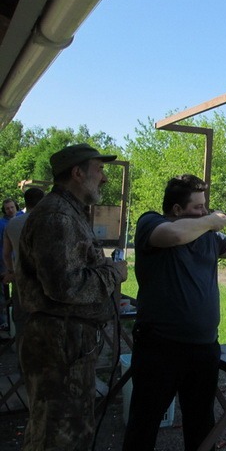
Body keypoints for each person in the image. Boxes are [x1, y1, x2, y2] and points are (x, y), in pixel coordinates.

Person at [122, 174, 226, 451]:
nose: (205, 210)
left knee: (200, 427)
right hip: (159, 346)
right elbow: (174, 235)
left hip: (203, 348)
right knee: (144, 425)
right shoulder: (151, 222)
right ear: (177, 209)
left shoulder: (207, 234)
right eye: (198, 207)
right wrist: (211, 220)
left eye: (205, 206)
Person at [16, 143, 128, 450]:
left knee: (67, 430)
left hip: (67, 343)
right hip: (58, 345)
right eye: (99, 169)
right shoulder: (57, 216)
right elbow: (65, 286)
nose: (104, 178)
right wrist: (113, 273)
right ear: (77, 173)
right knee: (57, 436)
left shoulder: (69, 212)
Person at [3, 187, 45, 352]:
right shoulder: (47, 222)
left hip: (20, 280)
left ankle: (22, 359)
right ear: (42, 201)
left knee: (21, 322)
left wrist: (11, 271)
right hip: (43, 281)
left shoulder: (13, 223)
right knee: (44, 323)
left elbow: (6, 254)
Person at [0, 197, 22, 331]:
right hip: (5, 262)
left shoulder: (22, 218)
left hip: (20, 261)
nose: (10, 210)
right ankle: (3, 321)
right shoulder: (1, 224)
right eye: (7, 208)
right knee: (3, 293)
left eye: (12, 207)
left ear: (16, 207)